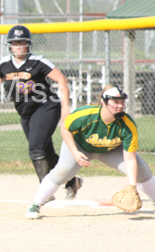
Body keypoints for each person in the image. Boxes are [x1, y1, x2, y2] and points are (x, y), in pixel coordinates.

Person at [26, 85, 155, 219]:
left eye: (122, 102)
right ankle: (35, 203)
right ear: (104, 103)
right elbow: (65, 128)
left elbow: (130, 159)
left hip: (111, 150)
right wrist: (75, 152)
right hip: (81, 147)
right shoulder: (86, 114)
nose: (120, 106)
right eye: (115, 102)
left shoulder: (128, 125)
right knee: (62, 172)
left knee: (141, 171)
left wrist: (132, 186)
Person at [0, 25, 81, 201]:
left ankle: (46, 193)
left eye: (23, 42)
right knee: (45, 151)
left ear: (29, 44)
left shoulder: (37, 61)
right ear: (10, 46)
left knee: (35, 148)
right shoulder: (4, 64)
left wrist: (65, 106)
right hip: (25, 113)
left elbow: (61, 79)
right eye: (15, 43)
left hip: (46, 106)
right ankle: (72, 182)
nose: (19, 46)